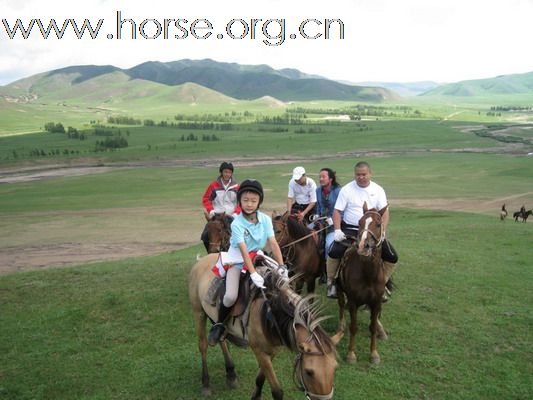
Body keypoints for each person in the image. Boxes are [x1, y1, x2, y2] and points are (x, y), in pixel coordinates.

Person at [208, 179, 286, 345]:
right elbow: (243, 251)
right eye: (245, 200)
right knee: (230, 296)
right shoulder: (237, 223)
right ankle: (219, 324)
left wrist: (282, 265)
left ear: (259, 202)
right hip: (237, 259)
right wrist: (253, 273)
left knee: (283, 282)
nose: (249, 204)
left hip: (257, 255)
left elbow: (273, 243)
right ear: (240, 201)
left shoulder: (265, 219)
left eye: (253, 201)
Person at [326, 161, 398, 299]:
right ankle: (332, 282)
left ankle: (383, 283)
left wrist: (382, 231)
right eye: (358, 175)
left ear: (370, 174)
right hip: (351, 229)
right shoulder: (347, 189)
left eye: (364, 174)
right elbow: (337, 211)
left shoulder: (378, 190)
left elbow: (385, 213)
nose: (361, 177)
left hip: (372, 231)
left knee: (392, 257)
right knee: (333, 251)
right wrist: (337, 230)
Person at [200, 162, 240, 252]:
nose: (227, 174)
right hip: (216, 215)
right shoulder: (214, 185)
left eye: (229, 172)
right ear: (221, 172)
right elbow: (206, 199)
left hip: (231, 215)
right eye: (225, 172)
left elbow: (241, 202)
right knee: (205, 235)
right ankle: (210, 253)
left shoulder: (236, 187)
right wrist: (211, 210)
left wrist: (236, 213)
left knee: (237, 235)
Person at [314, 168, 342, 282]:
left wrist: (333, 220)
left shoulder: (339, 191)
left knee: (328, 246)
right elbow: (318, 206)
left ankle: (328, 274)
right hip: (320, 223)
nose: (320, 179)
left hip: (334, 226)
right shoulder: (317, 190)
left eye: (323, 177)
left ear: (330, 179)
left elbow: (343, 210)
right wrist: (316, 215)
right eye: (320, 177)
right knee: (305, 235)